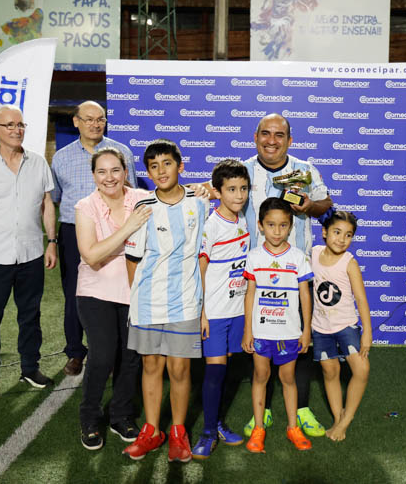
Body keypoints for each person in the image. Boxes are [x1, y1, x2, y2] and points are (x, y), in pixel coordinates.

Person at [240, 113, 332, 438]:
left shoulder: (305, 170)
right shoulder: (243, 170)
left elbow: (326, 204)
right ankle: (261, 412)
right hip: (259, 272)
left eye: (279, 135)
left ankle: (302, 408)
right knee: (260, 342)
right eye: (265, 133)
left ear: (289, 141)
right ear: (256, 137)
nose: (271, 140)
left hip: (297, 272)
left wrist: (309, 205)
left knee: (300, 339)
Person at [123, 139, 208, 463]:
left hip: (185, 302)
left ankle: (177, 432)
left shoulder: (199, 203)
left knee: (180, 368)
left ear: (180, 166)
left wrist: (206, 190)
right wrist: (137, 302)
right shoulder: (143, 207)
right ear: (148, 171)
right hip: (148, 302)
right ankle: (151, 429)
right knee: (151, 365)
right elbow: (132, 259)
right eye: (154, 166)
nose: (161, 171)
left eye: (167, 163)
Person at [0, 105, 57, 395]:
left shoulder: (39, 163)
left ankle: (30, 369)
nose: (17, 130)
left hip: (31, 254)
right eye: (10, 125)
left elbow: (47, 204)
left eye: (20, 124)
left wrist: (51, 242)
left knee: (30, 316)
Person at [51, 100, 137, 377]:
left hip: (116, 229)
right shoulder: (61, 157)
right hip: (74, 230)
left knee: (117, 290)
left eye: (99, 119)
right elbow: (55, 200)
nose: (95, 124)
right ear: (76, 121)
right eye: (88, 119)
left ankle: (113, 353)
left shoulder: (121, 152)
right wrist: (52, 241)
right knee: (75, 292)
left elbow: (132, 192)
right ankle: (75, 352)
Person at [74, 148, 152, 450]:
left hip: (135, 289)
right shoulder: (86, 206)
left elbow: (173, 201)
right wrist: (129, 227)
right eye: (102, 172)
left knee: (131, 356)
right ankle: (90, 416)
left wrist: (200, 189)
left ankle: (121, 414)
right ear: (94, 176)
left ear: (125, 172)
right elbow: (91, 255)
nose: (110, 177)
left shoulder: (140, 199)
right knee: (104, 354)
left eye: (115, 170)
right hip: (96, 290)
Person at [242, 197, 314, 453]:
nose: (277, 231)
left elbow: (305, 295)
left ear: (291, 227)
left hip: (289, 332)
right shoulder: (254, 257)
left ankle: (293, 427)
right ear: (260, 225)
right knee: (260, 376)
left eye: (283, 226)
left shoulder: (298, 258)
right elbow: (250, 294)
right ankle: (259, 427)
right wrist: (248, 330)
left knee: (287, 378)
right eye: (271, 225)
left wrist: (306, 330)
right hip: (262, 331)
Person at [191, 160, 251, 460]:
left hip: (238, 310)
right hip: (214, 312)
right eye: (231, 190)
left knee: (227, 369)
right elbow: (199, 269)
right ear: (218, 192)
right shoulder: (211, 225)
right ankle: (207, 433)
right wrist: (202, 312)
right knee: (214, 373)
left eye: (243, 188)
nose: (238, 195)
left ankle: (218, 423)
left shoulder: (245, 220)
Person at [311, 211, 371, 442]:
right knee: (330, 371)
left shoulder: (349, 262)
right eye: (336, 232)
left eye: (348, 235)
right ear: (324, 232)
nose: (341, 239)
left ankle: (346, 420)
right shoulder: (314, 254)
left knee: (361, 370)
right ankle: (338, 418)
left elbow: (362, 300)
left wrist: (367, 333)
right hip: (320, 327)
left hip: (346, 326)